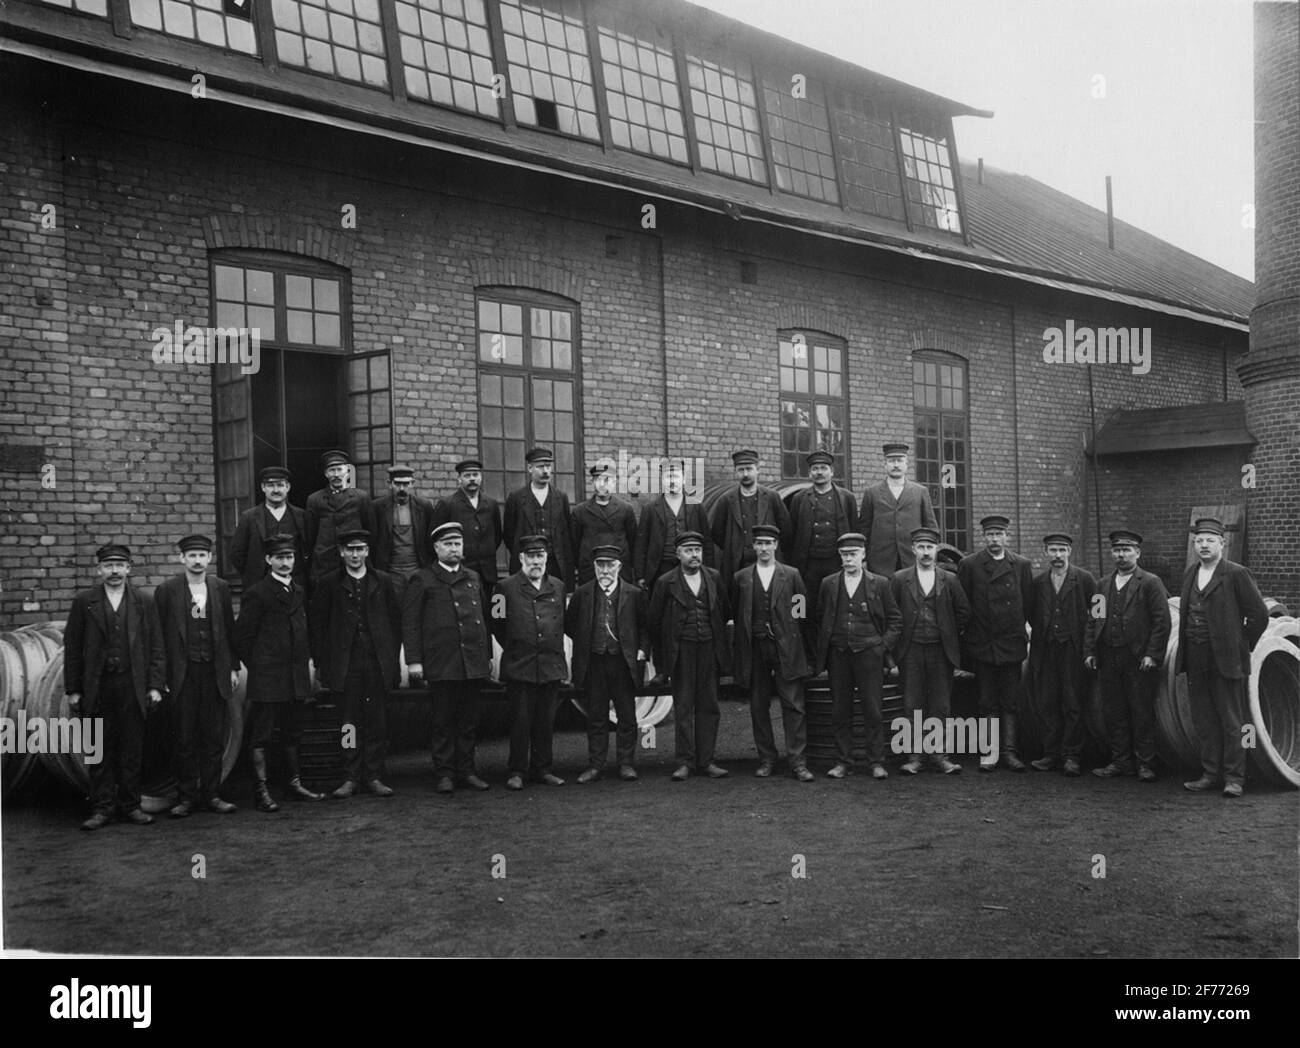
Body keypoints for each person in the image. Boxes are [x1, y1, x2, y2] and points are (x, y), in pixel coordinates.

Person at [64, 544, 166, 830]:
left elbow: (157, 646)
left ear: (129, 568)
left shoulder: (143, 602)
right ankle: (102, 808)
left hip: (133, 686)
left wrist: (155, 685)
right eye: (108, 566)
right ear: (99, 569)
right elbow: (72, 648)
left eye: (120, 565)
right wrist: (73, 688)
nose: (114, 571)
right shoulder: (84, 602)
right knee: (98, 748)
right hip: (97, 686)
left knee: (132, 748)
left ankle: (131, 805)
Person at [1177, 517, 1269, 798]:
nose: (1204, 545)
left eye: (1210, 540)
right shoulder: (1191, 573)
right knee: (1204, 719)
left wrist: (1241, 645)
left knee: (1234, 721)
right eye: (1199, 541)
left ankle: (1235, 778)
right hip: (1196, 658)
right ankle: (1210, 774)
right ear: (1194, 545)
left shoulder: (1236, 573)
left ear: (1222, 543)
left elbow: (1259, 615)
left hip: (1228, 661)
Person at [309, 529, 402, 799]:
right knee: (348, 722)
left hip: (376, 662)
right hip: (344, 664)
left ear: (367, 551)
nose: (355, 554)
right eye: (350, 549)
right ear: (341, 552)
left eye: (360, 549)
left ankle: (373, 775)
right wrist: (321, 661)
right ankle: (350, 776)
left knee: (377, 721)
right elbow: (318, 624)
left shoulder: (382, 581)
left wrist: (392, 659)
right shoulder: (329, 583)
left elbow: (395, 622)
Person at [235, 535, 325, 810]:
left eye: (289, 557)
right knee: (261, 734)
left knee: (292, 731)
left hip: (296, 677)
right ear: (268, 560)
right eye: (280, 558)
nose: (285, 563)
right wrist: (261, 666)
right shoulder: (257, 592)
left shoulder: (298, 590)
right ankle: (261, 791)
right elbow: (242, 638)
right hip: (268, 677)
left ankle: (293, 784)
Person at [403, 521, 493, 794]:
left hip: (472, 662)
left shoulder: (474, 577)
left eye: (458, 544)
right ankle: (444, 773)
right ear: (436, 548)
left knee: (468, 721)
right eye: (448, 545)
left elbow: (486, 619)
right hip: (442, 662)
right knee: (442, 721)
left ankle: (467, 771)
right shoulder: (423, 579)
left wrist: (487, 655)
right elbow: (411, 623)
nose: (454, 549)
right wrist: (414, 661)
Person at [154, 534, 239, 817]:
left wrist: (233, 667)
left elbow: (229, 630)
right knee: (185, 738)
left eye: (202, 555)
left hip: (213, 672)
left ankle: (212, 795)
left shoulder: (220, 588)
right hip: (182, 674)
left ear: (210, 558)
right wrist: (163, 675)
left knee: (213, 737)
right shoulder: (168, 591)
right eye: (192, 555)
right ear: (182, 559)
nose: (197, 561)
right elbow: (159, 637)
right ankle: (187, 797)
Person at [1084, 530, 1171, 783]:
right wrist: (1090, 651)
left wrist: (1152, 654)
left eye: (1126, 550)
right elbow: (1094, 620)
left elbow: (1161, 622)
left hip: (1138, 660)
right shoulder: (1102, 585)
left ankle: (1145, 763)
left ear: (1137, 553)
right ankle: (1121, 761)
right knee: (1113, 711)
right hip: (1108, 658)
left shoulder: (1151, 583)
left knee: (1141, 711)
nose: (1120, 555)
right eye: (1116, 550)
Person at [815, 532, 901, 779]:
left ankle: (876, 761)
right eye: (844, 555)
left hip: (869, 655)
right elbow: (820, 617)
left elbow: (895, 620)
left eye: (853, 554)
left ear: (863, 555)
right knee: (840, 710)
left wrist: (882, 647)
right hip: (839, 654)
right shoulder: (828, 584)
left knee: (873, 710)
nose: (848, 559)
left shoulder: (881, 583)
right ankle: (843, 761)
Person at [648, 532, 731, 781]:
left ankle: (707, 761)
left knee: (709, 706)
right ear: (678, 554)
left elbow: (724, 610)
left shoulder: (714, 578)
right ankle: (684, 761)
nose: (694, 554)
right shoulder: (665, 582)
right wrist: (663, 664)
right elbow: (654, 622)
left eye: (698, 549)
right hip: (681, 651)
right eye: (688, 550)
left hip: (709, 648)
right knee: (683, 706)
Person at [734, 523, 814, 780]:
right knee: (758, 705)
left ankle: (797, 761)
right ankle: (766, 758)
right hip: (756, 648)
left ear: (776, 546)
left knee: (793, 705)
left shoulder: (791, 575)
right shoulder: (742, 578)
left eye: (769, 543)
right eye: (760, 543)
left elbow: (801, 613)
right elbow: (737, 613)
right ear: (754, 546)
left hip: (786, 647)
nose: (764, 548)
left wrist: (790, 637)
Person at [957, 514, 1035, 771]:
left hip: (1011, 644)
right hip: (983, 645)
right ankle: (989, 753)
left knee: (1010, 701)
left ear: (1006, 537)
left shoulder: (1021, 565)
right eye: (989, 535)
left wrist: (1016, 631)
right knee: (987, 700)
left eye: (998, 534)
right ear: (983, 537)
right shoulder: (970, 565)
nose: (994, 540)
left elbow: (1028, 603)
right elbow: (963, 604)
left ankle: (1010, 753)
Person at [566, 545, 649, 783]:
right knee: (596, 716)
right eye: (600, 565)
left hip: (623, 663)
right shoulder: (582, 593)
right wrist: (586, 644)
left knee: (627, 716)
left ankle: (626, 764)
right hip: (594, 663)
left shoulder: (633, 594)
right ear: (594, 567)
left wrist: (641, 652)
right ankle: (596, 766)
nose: (605, 570)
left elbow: (645, 627)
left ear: (619, 567)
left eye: (610, 565)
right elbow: (570, 625)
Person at [491, 534, 568, 790]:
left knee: (546, 722)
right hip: (519, 666)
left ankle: (543, 769)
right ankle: (517, 771)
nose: (536, 561)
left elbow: (562, 621)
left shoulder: (558, 586)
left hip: (550, 665)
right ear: (521, 558)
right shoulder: (503, 588)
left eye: (541, 556)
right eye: (531, 556)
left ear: (546, 558)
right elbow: (496, 624)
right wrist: (517, 647)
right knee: (520, 722)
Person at [891, 528, 970, 775]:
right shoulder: (899, 579)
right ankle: (914, 757)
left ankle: (940, 756)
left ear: (936, 549)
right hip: (911, 651)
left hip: (940, 651)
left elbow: (964, 612)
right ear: (913, 549)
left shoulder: (950, 579)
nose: (926, 552)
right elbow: (891, 615)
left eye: (930, 547)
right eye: (921, 547)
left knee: (940, 705)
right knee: (912, 703)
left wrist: (947, 633)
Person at [634, 458, 714, 681]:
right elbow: (641, 543)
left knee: (689, 616)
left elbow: (706, 541)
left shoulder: (695, 506)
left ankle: (692, 668)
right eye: (668, 476)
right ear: (661, 480)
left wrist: (709, 571)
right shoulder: (651, 509)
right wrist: (640, 575)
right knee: (659, 620)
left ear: (684, 479)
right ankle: (662, 670)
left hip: (689, 569)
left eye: (676, 476)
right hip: (660, 570)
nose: (672, 481)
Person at [1027, 533, 1097, 776]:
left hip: (1073, 650)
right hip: (1045, 651)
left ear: (1070, 552)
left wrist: (1090, 645)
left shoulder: (1085, 579)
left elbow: (1099, 612)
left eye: (1062, 550)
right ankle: (1050, 754)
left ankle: (1071, 756)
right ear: (1045, 552)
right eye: (1053, 550)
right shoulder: (1038, 583)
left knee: (1073, 703)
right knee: (1047, 703)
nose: (1057, 556)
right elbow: (1030, 613)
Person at [789, 450, 858, 658]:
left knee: (835, 606)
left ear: (832, 471)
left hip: (836, 564)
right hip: (807, 565)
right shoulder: (800, 499)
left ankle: (835, 654)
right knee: (804, 607)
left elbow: (854, 530)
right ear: (810, 472)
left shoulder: (846, 498)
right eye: (815, 469)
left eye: (823, 468)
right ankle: (810, 654)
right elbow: (790, 533)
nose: (819, 472)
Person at [710, 449, 792, 603]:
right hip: (738, 564)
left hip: (767, 561)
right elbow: (717, 532)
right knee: (741, 605)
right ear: (735, 472)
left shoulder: (772, 498)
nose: (745, 474)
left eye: (749, 469)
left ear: (758, 470)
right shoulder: (726, 500)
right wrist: (734, 546)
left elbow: (786, 530)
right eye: (741, 470)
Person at [859, 442, 939, 577]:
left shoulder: (920, 492)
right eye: (891, 461)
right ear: (885, 464)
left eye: (899, 461)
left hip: (911, 559)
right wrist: (863, 558)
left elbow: (931, 527)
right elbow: (864, 529)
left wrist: (929, 556)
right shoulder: (871, 493)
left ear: (906, 464)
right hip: (880, 562)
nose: (896, 465)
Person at [503, 447, 575, 591]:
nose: (546, 471)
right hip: (527, 564)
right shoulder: (516, 498)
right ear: (530, 468)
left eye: (548, 466)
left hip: (555, 564)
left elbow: (567, 533)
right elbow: (509, 534)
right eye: (540, 467)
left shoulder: (561, 497)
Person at [230, 465, 309, 591]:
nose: (276, 490)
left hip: (294, 586)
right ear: (263, 487)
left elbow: (308, 549)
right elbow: (237, 554)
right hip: (259, 586)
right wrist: (253, 575)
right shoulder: (249, 517)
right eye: (271, 485)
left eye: (280, 485)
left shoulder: (301, 516)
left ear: (287, 487)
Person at [304, 449, 375, 585]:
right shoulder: (314, 499)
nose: (336, 474)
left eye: (339, 469)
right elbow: (310, 534)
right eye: (331, 470)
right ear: (326, 474)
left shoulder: (361, 497)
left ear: (347, 471)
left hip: (353, 559)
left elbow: (370, 530)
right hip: (324, 561)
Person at [431, 458, 504, 584]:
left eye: (475, 475)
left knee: (493, 602)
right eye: (467, 475)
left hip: (488, 571)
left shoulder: (491, 504)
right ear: (459, 479)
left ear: (481, 477)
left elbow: (496, 536)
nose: (472, 478)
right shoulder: (447, 504)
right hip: (460, 570)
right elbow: (435, 539)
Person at [570, 462, 637, 586]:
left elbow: (633, 542)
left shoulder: (625, 509)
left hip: (618, 569)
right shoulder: (580, 511)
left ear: (614, 482)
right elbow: (574, 544)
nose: (602, 484)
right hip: (591, 570)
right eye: (598, 479)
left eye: (607, 480)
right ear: (592, 482)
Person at [370, 465, 435, 583]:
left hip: (418, 570)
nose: (401, 489)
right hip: (389, 572)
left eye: (406, 484)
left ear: (412, 483)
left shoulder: (424, 506)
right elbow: (373, 540)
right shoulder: (378, 507)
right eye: (397, 484)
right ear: (389, 483)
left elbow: (430, 540)